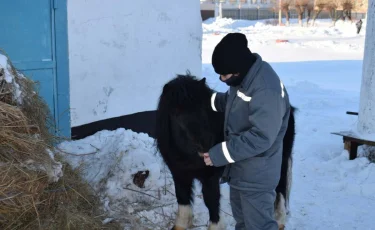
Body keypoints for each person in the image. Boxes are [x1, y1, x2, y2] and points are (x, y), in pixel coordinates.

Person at [200, 33, 292, 230]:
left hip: (257, 176)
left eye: (225, 75)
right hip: (242, 170)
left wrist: (219, 154)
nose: (222, 79)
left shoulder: (267, 90)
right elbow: (234, 101)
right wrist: (206, 100)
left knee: (258, 226)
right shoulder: (246, 78)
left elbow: (261, 137)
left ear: (238, 70)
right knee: (243, 224)